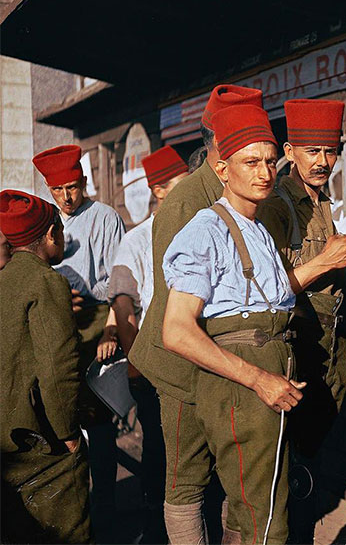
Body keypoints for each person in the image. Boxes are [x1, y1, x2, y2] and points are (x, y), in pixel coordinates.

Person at [161, 103, 304, 545]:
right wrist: (259, 378)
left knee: (255, 517)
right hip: (243, 386)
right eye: (250, 162)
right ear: (222, 169)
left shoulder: (257, 227)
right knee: (264, 524)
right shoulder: (206, 230)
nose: (264, 173)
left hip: (268, 380)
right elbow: (177, 331)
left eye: (269, 161)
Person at [130, 83, 265, 545]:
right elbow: (180, 312)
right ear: (220, 144)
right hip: (183, 370)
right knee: (185, 480)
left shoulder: (239, 195)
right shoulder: (188, 203)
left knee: (229, 477)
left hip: (220, 363)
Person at [258, 99, 346, 542]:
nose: (323, 162)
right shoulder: (277, 205)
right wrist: (327, 261)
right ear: (289, 150)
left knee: (310, 470)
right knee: (293, 482)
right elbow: (267, 289)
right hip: (294, 357)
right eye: (312, 151)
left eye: (330, 151)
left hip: (327, 353)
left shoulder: (321, 200)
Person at [32, 144, 125, 530]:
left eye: (73, 187)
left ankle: (105, 506)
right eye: (58, 190)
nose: (67, 198)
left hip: (93, 322)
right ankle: (69, 504)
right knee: (57, 416)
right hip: (54, 324)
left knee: (98, 419)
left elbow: (120, 279)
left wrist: (111, 327)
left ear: (84, 182)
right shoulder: (46, 221)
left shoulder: (104, 217)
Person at [0, 191, 92, 545]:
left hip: (9, 438)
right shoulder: (47, 281)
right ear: (50, 235)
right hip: (42, 439)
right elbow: (58, 369)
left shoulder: (6, 279)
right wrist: (68, 434)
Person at [107, 145, 189, 542]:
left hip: (193, 357)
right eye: (180, 187)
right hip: (156, 362)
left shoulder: (196, 230)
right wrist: (136, 362)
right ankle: (155, 529)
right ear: (159, 191)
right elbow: (124, 304)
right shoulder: (137, 240)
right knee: (158, 449)